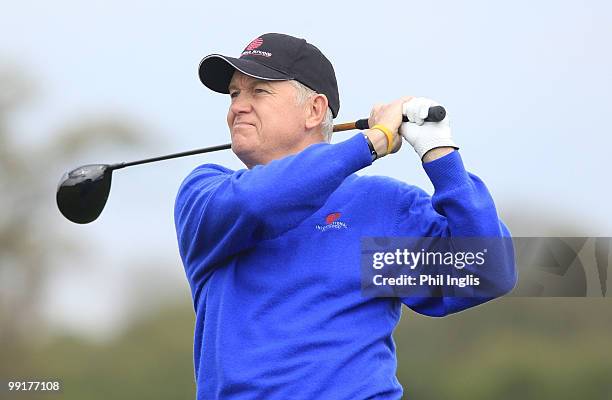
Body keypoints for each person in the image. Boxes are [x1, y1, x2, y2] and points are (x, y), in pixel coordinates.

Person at [174, 33, 516, 400]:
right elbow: (259, 203)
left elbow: (486, 270)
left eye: (259, 91)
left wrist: (440, 152)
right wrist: (370, 143)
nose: (238, 106)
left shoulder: (376, 206)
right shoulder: (205, 193)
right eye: (234, 94)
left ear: (314, 110)